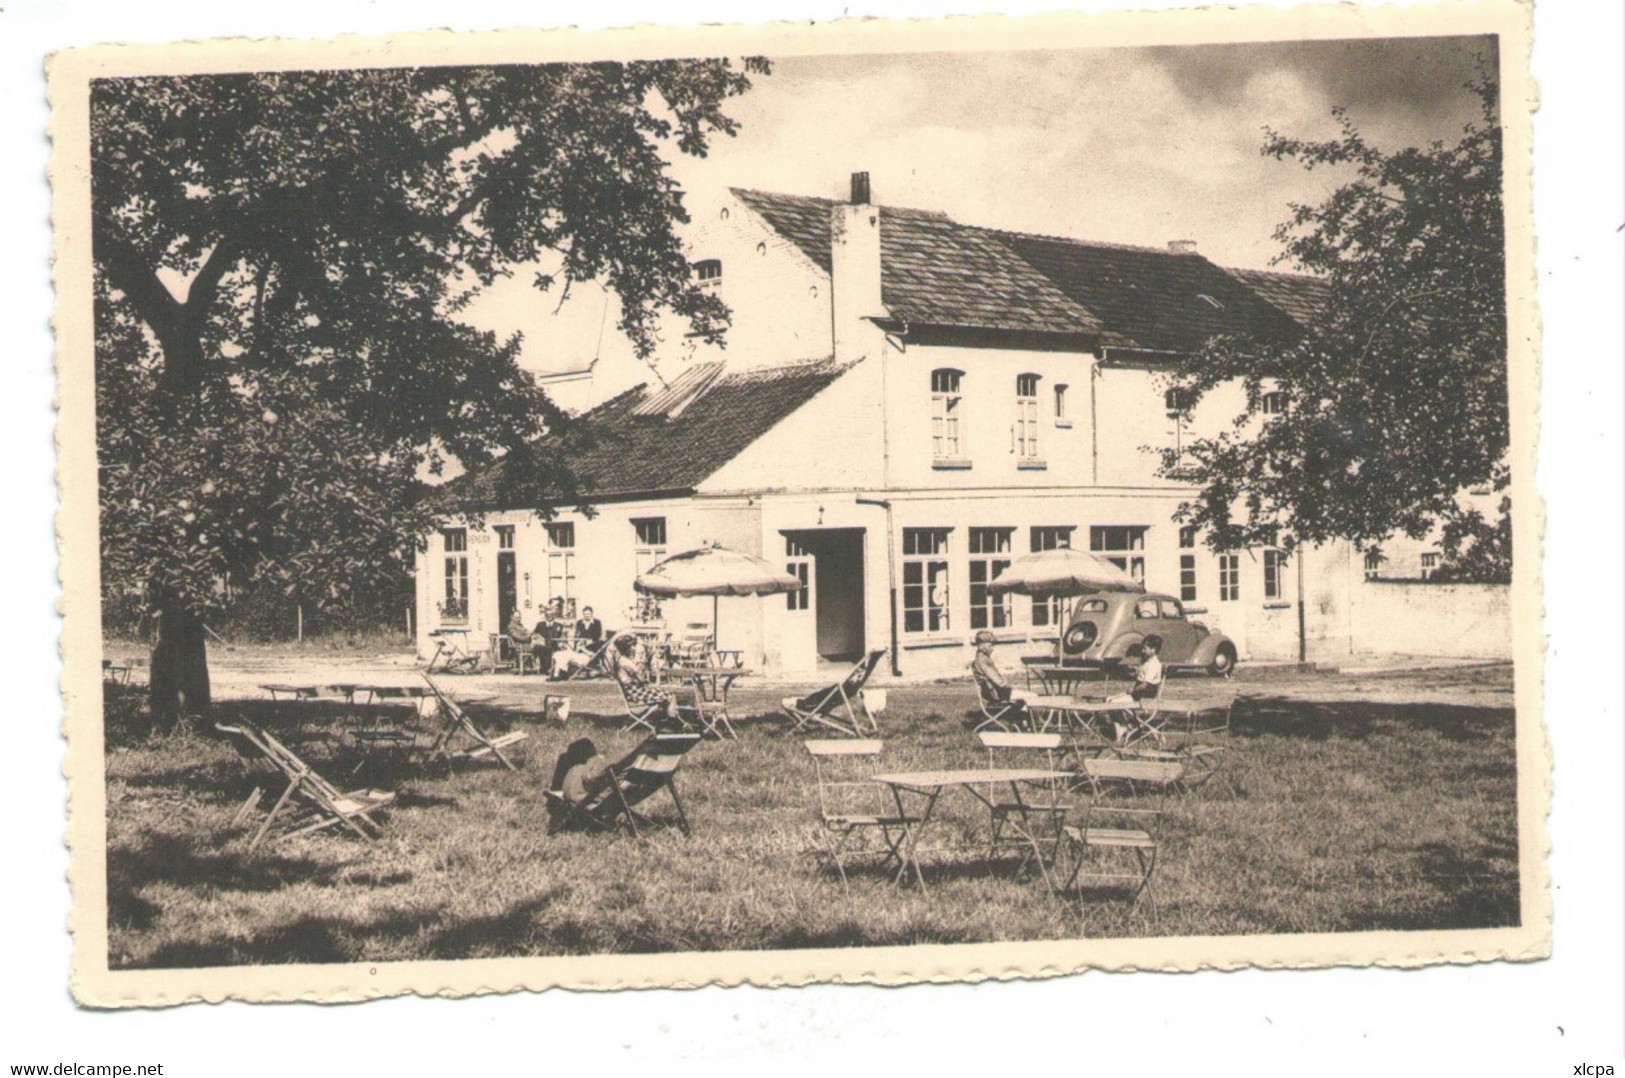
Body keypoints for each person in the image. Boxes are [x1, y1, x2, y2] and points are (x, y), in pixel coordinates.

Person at [605, 632, 695, 728]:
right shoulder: (626, 663)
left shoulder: (620, 660)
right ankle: (673, 722)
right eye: (631, 646)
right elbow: (641, 678)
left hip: (631, 690)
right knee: (670, 696)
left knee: (665, 695)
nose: (633, 648)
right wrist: (643, 670)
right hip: (635, 692)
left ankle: (672, 720)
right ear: (624, 648)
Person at [970, 629, 1036, 706]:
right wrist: (1008, 686)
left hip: (992, 693)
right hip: (998, 694)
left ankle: (1023, 717)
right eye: (990, 646)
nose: (992, 648)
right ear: (981, 646)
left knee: (1022, 698)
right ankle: (1032, 718)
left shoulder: (979, 659)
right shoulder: (983, 661)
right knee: (1032, 696)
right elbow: (997, 680)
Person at [550, 605, 604, 679]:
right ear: (583, 614)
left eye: (588, 614)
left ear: (592, 614)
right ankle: (557, 674)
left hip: (587, 654)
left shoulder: (597, 624)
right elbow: (577, 635)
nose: (587, 616)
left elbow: (596, 637)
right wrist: (578, 646)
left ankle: (559, 675)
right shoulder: (579, 622)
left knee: (565, 655)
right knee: (560, 654)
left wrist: (585, 645)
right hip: (580, 650)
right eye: (585, 614)